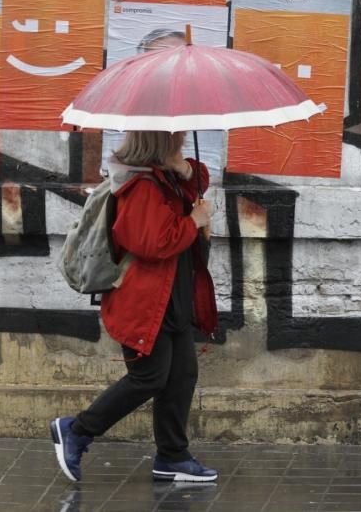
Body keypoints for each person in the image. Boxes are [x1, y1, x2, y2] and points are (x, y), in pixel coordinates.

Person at [51, 130, 219, 483]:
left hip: (172, 297)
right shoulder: (139, 185)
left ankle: (172, 457)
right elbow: (151, 243)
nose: (184, 141)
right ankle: (77, 429)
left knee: (181, 376)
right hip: (144, 301)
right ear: (161, 142)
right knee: (150, 377)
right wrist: (193, 222)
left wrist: (184, 171)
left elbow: (199, 180)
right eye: (178, 138)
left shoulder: (166, 176)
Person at [102, 29, 225, 177]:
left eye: (181, 58)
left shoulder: (206, 107)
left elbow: (198, 179)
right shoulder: (144, 183)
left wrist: (187, 170)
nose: (173, 68)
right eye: (161, 60)